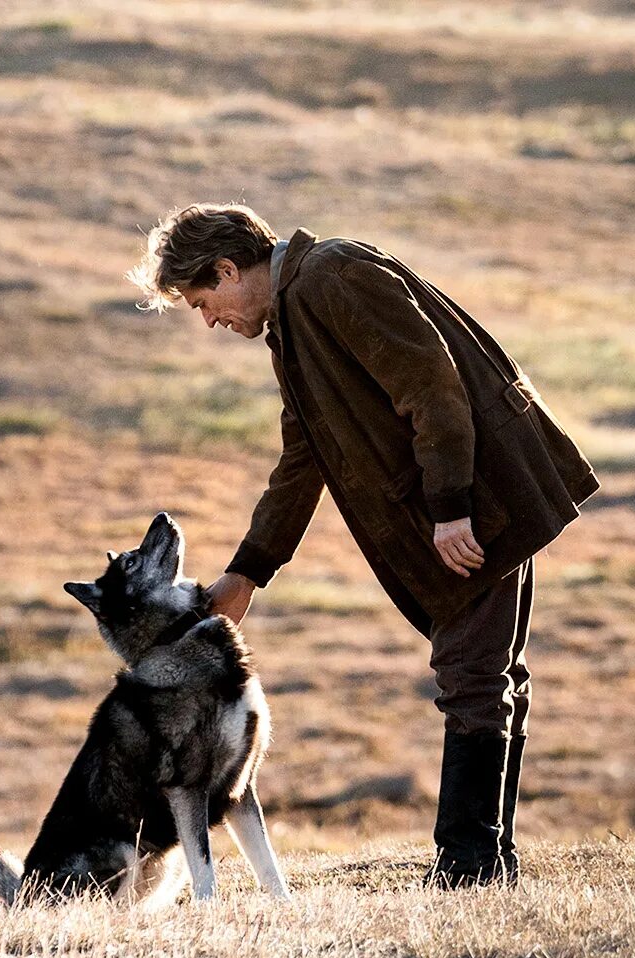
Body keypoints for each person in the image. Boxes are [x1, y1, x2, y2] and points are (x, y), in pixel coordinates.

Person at [127, 204, 599, 886]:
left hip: (480, 503)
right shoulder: (293, 323)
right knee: (489, 678)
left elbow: (430, 386)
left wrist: (450, 507)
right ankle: (488, 862)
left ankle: (467, 869)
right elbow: (302, 459)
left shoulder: (333, 278)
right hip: (474, 502)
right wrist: (248, 572)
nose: (210, 321)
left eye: (205, 302)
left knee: (472, 676)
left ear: (228, 269)